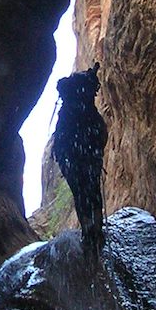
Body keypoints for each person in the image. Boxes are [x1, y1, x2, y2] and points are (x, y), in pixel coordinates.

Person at [53, 63, 108, 258]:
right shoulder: (86, 106)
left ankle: (91, 231)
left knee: (82, 190)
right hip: (84, 148)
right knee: (90, 189)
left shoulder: (69, 103)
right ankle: (94, 231)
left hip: (72, 149)